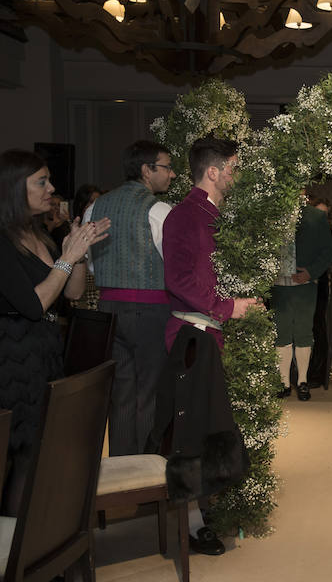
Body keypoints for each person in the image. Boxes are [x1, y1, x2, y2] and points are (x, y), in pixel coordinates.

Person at [160, 136, 259, 555]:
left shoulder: (216, 214)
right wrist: (227, 307)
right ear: (214, 171)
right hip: (191, 337)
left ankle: (203, 512)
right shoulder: (185, 215)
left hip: (210, 334)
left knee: (209, 432)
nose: (236, 175)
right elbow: (178, 280)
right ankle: (189, 525)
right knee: (188, 436)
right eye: (233, 167)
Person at [0, 149, 110, 515]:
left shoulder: (34, 234)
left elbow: (72, 293)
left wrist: (76, 255)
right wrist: (66, 258)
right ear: (15, 188)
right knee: (24, 459)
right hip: (13, 360)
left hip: (43, 354)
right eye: (41, 181)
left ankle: (38, 549)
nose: (52, 188)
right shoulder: (2, 240)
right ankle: (21, 558)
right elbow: (34, 305)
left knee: (39, 458)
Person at [85, 140, 175, 456]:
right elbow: (176, 268)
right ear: (146, 170)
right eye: (166, 166)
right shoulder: (159, 210)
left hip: (108, 308)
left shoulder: (95, 207)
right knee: (150, 392)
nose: (172, 174)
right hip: (151, 310)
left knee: (121, 394)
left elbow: (92, 264)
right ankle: (148, 480)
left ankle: (123, 475)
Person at [272, 194, 332, 401]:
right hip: (278, 285)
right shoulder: (270, 213)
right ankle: (283, 382)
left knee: (303, 333)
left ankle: (302, 381)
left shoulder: (316, 216)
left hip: (305, 285)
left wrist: (311, 272)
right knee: (281, 334)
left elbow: (328, 251)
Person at [306, 196, 332, 390]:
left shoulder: (328, 231)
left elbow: (329, 257)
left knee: (318, 328)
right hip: (299, 285)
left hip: (319, 285)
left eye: (324, 214)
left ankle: (317, 374)